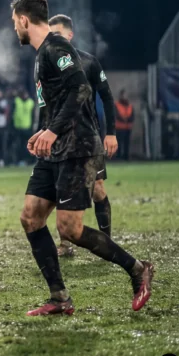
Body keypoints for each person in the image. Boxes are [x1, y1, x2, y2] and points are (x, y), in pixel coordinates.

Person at [11, 0, 152, 316]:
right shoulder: (41, 53)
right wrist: (43, 130)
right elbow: (60, 102)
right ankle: (59, 298)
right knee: (31, 217)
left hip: (78, 148)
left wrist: (53, 131)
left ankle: (137, 269)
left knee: (70, 230)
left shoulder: (57, 48)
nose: (14, 30)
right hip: (55, 150)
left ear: (23, 20)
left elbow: (83, 90)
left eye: (14, 23)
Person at [48, 15, 118, 257]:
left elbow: (107, 97)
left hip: (89, 139)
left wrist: (111, 133)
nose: (52, 39)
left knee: (98, 189)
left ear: (69, 36)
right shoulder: (48, 64)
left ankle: (107, 243)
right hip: (60, 140)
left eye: (56, 34)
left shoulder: (88, 62)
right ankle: (65, 244)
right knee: (61, 188)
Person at [12, 90, 35, 164]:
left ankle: (28, 160)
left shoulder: (31, 103)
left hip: (27, 128)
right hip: (17, 128)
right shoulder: (16, 101)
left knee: (27, 146)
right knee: (19, 146)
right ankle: (19, 160)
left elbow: (33, 116)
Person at [114, 90, 134, 161]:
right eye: (124, 95)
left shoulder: (130, 106)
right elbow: (116, 115)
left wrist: (128, 120)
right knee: (119, 142)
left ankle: (126, 156)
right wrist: (124, 119)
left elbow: (132, 116)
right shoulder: (116, 105)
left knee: (126, 143)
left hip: (128, 127)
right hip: (119, 127)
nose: (125, 97)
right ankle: (118, 156)